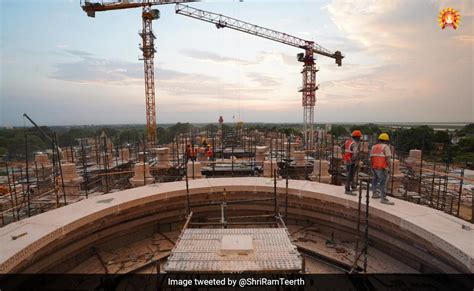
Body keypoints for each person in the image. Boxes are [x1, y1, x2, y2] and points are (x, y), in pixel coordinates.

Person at [370, 133, 394, 205]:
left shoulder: (374, 147)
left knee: (374, 181)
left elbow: (371, 158)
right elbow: (388, 159)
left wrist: (372, 166)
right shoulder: (385, 147)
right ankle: (383, 198)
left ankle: (374, 194)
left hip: (374, 167)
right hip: (382, 167)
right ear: (386, 140)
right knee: (383, 183)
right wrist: (390, 168)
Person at [343, 130, 362, 195]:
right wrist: (353, 160)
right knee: (350, 175)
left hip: (347, 160)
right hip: (351, 162)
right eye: (359, 137)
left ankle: (353, 186)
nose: (360, 138)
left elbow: (343, 149)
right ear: (357, 137)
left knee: (351, 174)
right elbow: (355, 153)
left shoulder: (348, 142)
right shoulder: (354, 144)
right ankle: (347, 189)